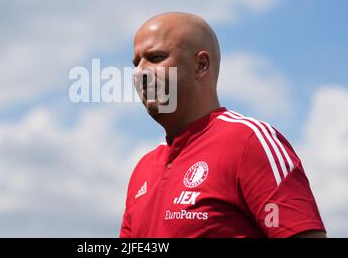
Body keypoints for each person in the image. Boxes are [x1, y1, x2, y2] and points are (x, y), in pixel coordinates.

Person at [120, 12, 326, 238]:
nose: (140, 72)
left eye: (156, 57)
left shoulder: (249, 142)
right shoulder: (143, 170)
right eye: (136, 63)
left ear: (201, 65)